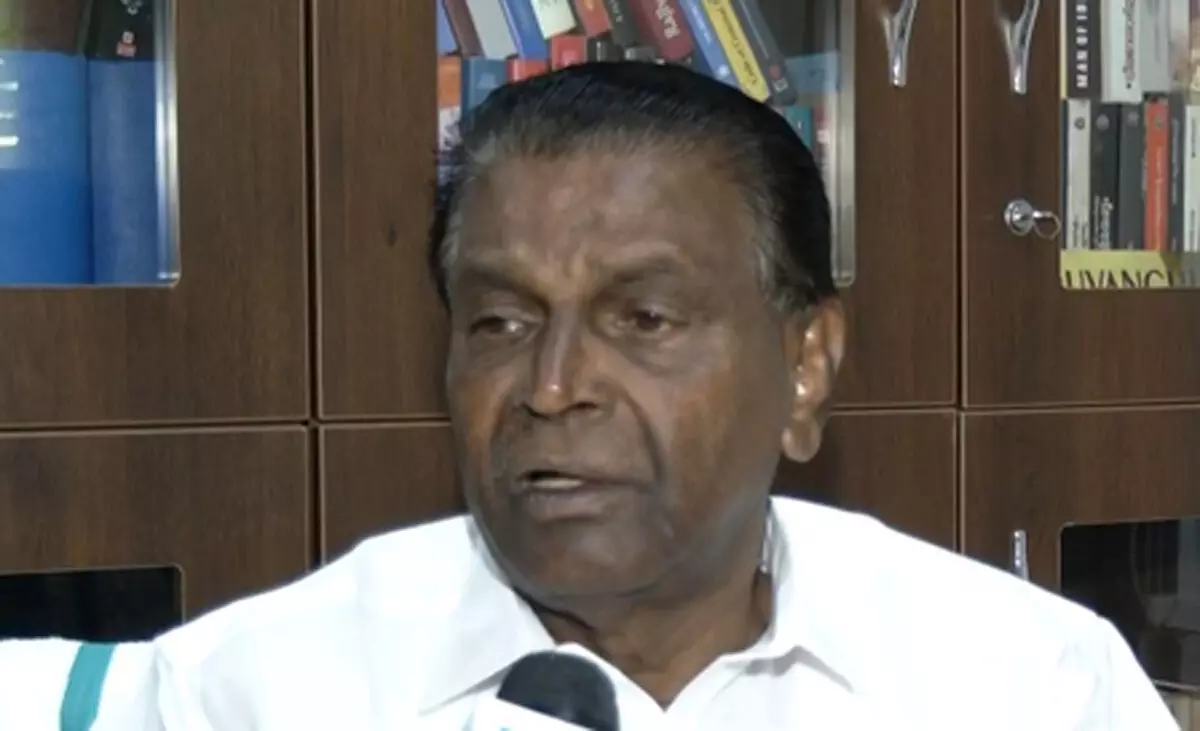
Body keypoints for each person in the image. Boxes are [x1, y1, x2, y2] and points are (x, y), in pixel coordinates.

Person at [0, 61, 1178, 730]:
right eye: (500, 322)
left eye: (644, 319)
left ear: (805, 363)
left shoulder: (1026, 682)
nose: (551, 386)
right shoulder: (259, 687)